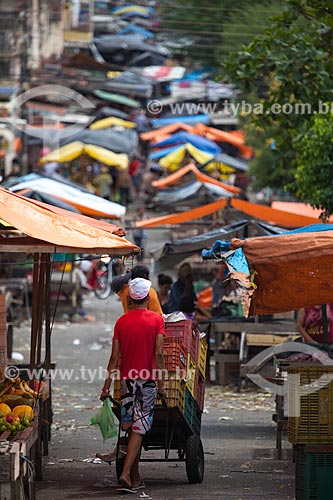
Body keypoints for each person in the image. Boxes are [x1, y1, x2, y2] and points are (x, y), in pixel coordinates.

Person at [100, 278, 166, 492]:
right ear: (148, 297)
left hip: (126, 381)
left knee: (130, 427)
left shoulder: (121, 322)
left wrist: (106, 387)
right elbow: (158, 353)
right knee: (139, 428)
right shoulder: (157, 320)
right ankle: (126, 473)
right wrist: (162, 383)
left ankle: (135, 477)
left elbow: (114, 357)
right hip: (147, 382)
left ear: (129, 298)